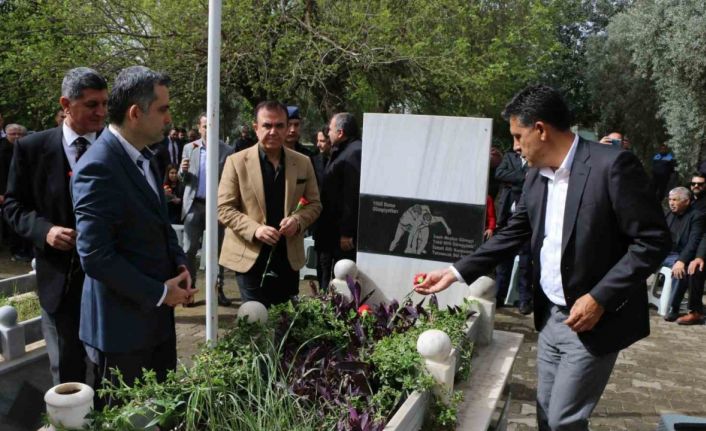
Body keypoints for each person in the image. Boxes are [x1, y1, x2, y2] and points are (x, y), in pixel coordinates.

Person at [414, 84, 670, 431]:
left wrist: (599, 298)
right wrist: (455, 272)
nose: (515, 147)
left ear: (541, 130)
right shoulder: (535, 175)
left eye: (518, 136)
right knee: (546, 415)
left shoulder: (612, 166)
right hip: (549, 317)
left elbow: (652, 242)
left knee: (564, 420)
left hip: (593, 322)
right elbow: (513, 232)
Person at [72, 66, 196, 404]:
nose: (169, 119)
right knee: (126, 419)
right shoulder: (98, 167)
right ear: (135, 113)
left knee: (160, 414)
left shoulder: (146, 156)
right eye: (162, 109)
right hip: (121, 334)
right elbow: (95, 257)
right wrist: (160, 292)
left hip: (156, 322)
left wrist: (180, 265)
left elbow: (160, 224)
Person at [3, 67, 109, 385]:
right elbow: (13, 206)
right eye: (92, 104)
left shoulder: (116, 147)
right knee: (66, 372)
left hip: (110, 280)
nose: (101, 112)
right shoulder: (32, 148)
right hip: (59, 280)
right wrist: (45, 231)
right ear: (66, 105)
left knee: (110, 373)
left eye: (105, 103)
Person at [218, 101, 321, 307]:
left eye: (279, 125)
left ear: (287, 127)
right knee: (255, 317)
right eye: (267, 125)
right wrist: (255, 230)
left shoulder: (303, 162)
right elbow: (223, 208)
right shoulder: (236, 162)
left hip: (287, 257)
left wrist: (297, 221)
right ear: (256, 128)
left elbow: (314, 204)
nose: (273, 131)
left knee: (284, 318)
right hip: (249, 256)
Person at [179, 113, 235, 306]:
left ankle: (218, 290)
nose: (208, 129)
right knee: (189, 250)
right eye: (204, 126)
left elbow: (230, 181)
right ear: (199, 127)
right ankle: (189, 290)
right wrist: (183, 171)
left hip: (216, 209)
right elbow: (184, 180)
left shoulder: (227, 151)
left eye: (211, 125)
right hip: (194, 205)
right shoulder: (190, 148)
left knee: (217, 252)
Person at [314, 112, 362, 290]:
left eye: (331, 129)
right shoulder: (342, 150)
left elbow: (351, 194)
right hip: (329, 230)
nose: (328, 133)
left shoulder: (353, 152)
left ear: (340, 133)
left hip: (341, 234)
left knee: (342, 278)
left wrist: (346, 232)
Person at [495, 139, 533, 314]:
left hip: (526, 220)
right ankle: (498, 297)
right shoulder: (509, 157)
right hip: (507, 218)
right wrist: (523, 178)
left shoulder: (535, 160)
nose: (517, 145)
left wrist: (512, 181)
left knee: (526, 262)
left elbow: (534, 180)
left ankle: (524, 300)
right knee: (503, 260)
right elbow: (500, 173)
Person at [660, 187, 704, 322]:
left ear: (686, 201)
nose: (671, 203)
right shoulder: (668, 214)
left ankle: (673, 308)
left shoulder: (697, 216)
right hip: (663, 253)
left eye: (675, 200)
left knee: (681, 270)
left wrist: (681, 260)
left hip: (679, 254)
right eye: (670, 199)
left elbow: (693, 242)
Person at [0, 124, 32, 260]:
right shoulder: (2, 149)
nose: (17, 136)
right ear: (6, 134)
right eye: (13, 134)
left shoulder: (28, 148)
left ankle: (26, 249)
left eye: (20, 134)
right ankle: (16, 250)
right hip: (6, 191)